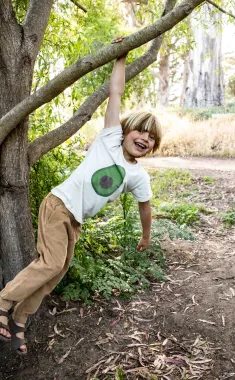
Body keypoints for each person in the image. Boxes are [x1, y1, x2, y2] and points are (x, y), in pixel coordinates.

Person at [0, 49, 162, 355]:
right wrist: (121, 56)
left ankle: (19, 319)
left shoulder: (139, 177)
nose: (144, 138)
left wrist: (145, 236)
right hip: (59, 204)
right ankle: (4, 301)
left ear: (154, 146)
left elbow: (145, 207)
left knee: (56, 271)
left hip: (75, 219)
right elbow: (116, 91)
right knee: (49, 263)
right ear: (126, 131)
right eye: (140, 130)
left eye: (151, 137)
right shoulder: (109, 139)